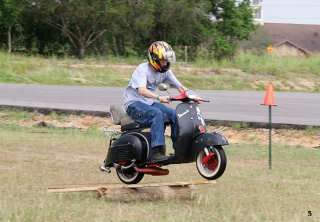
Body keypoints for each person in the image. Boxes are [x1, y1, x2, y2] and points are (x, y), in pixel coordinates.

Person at [123, 41, 188, 163]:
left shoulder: (165, 71)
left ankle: (178, 148)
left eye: (167, 60)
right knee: (156, 114)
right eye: (163, 60)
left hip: (148, 103)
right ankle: (155, 153)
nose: (166, 63)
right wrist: (159, 97)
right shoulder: (142, 69)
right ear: (154, 59)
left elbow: (180, 86)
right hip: (133, 104)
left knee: (173, 114)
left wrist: (192, 96)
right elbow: (142, 91)